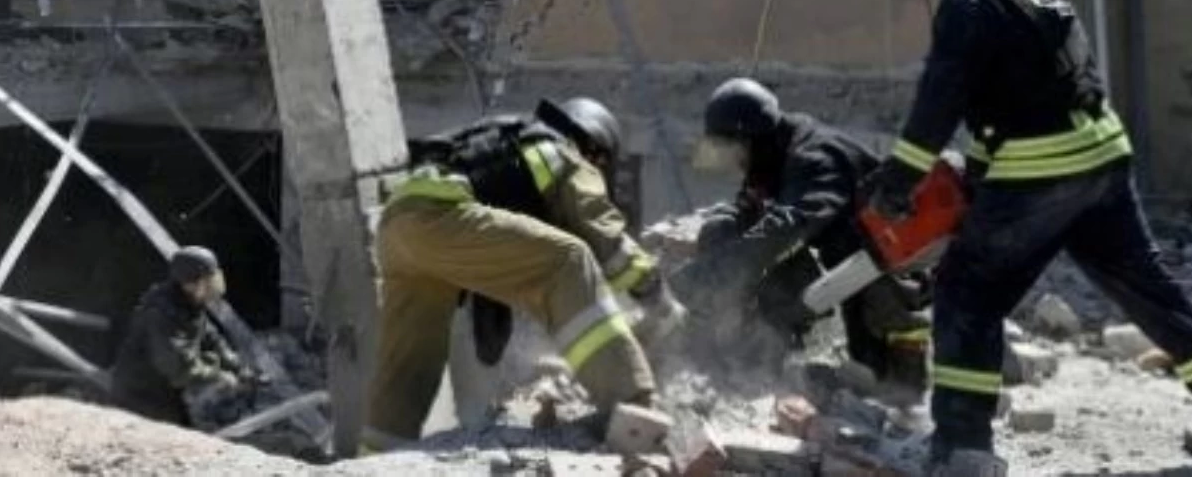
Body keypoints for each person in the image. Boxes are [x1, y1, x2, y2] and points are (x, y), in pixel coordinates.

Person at [870, 0, 1192, 475]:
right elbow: (1041, 85)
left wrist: (899, 180)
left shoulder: (968, 4)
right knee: (1155, 297)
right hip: (1102, 158)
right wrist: (979, 172)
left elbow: (939, 99)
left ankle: (963, 447)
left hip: (1040, 170)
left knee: (966, 292)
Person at [363, 97, 675, 457]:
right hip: (441, 214)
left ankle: (374, 457)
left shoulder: (513, 142)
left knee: (412, 359)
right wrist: (653, 289)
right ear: (596, 152)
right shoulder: (565, 153)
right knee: (568, 261)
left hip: (397, 224)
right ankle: (636, 409)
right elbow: (603, 235)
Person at [688, 78, 930, 394]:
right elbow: (750, 209)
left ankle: (902, 373)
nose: (736, 163)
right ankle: (757, 344)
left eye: (736, 151)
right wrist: (717, 246)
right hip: (847, 260)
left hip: (884, 267)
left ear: (752, 140)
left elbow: (788, 227)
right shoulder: (773, 152)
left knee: (882, 381)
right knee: (729, 234)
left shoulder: (816, 159)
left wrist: (719, 270)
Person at [109, 246, 257, 430]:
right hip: (141, 395)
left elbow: (212, 340)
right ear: (190, 283)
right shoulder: (163, 313)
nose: (214, 286)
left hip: (167, 390)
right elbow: (178, 368)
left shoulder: (191, 305)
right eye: (208, 281)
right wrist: (220, 376)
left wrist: (239, 368)